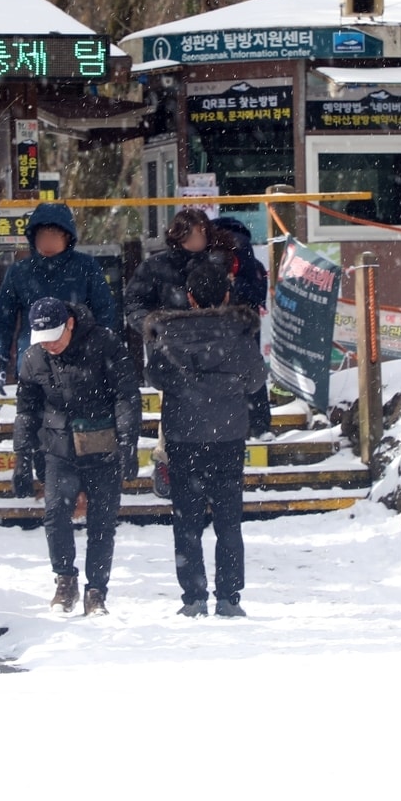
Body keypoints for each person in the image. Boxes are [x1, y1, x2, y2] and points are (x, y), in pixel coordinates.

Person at [145, 262, 267, 617]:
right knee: (229, 520)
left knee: (187, 520)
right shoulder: (239, 334)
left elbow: (155, 377)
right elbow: (256, 378)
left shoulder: (169, 334)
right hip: (228, 436)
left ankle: (194, 597)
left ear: (191, 297)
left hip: (184, 437)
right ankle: (229, 597)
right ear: (227, 294)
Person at [12, 297, 141, 615]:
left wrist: (128, 443)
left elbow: (126, 396)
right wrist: (21, 457)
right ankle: (65, 579)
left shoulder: (105, 344)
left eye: (55, 337)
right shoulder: (33, 359)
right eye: (43, 340)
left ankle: (96, 590)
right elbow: (26, 411)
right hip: (57, 447)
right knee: (55, 516)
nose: (50, 346)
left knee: (102, 523)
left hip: (102, 444)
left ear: (70, 323)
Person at [0, 202, 118, 393]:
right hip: (32, 361)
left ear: (67, 236)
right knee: (32, 417)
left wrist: (103, 352)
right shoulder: (19, 271)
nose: (46, 239)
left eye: (53, 234)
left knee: (78, 417)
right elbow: (3, 320)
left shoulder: (86, 267)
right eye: (41, 234)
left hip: (80, 361)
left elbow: (104, 312)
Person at [211, 214, 273, 439]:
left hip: (213, 319)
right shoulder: (250, 255)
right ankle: (260, 425)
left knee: (216, 370)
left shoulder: (209, 247)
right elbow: (257, 293)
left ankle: (226, 425)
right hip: (245, 320)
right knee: (251, 370)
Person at [123, 208, 216, 335]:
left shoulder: (214, 265)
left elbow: (229, 303)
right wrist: (155, 328)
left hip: (210, 342)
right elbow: (134, 303)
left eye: (203, 236)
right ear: (180, 235)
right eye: (194, 236)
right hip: (166, 345)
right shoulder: (154, 266)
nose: (199, 241)